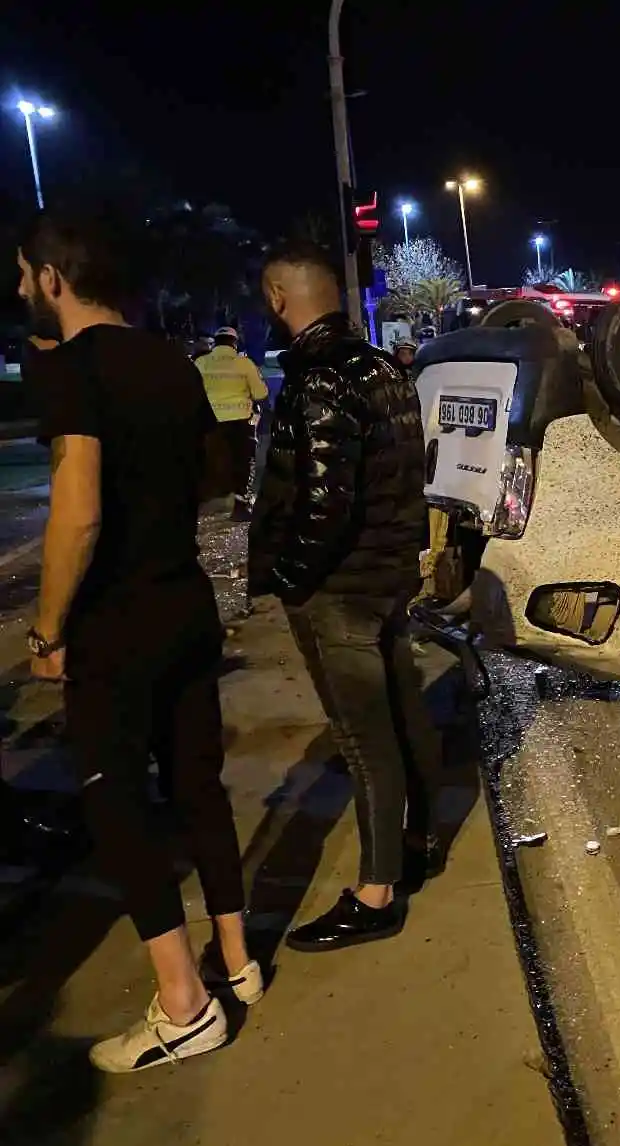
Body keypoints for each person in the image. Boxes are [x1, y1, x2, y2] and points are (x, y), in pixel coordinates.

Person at [17, 207, 260, 1073]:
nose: (19, 290)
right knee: (198, 781)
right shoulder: (171, 360)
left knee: (114, 802)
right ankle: (236, 960)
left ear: (54, 277)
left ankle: (185, 1004)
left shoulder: (71, 368)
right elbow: (209, 473)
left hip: (116, 620)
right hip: (184, 601)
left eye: (23, 274)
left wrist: (48, 629)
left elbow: (76, 508)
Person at [250, 240, 442, 952]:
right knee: (401, 721)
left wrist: (292, 578)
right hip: (385, 579)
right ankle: (412, 849)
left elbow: (324, 503)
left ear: (279, 297)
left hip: (342, 590)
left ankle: (376, 892)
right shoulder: (382, 370)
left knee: (365, 744)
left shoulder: (321, 376)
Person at [194, 325, 269, 520]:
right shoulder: (243, 363)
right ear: (234, 343)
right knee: (243, 463)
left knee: (207, 462)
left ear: (216, 343)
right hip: (239, 422)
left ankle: (205, 504)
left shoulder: (201, 363)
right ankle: (241, 507)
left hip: (209, 422)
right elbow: (261, 393)